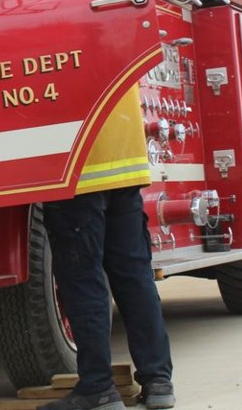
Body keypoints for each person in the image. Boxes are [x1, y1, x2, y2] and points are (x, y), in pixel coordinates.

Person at [41, 85, 175, 410]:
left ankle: (98, 387)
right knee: (134, 276)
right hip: (126, 164)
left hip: (78, 167)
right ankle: (158, 382)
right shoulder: (118, 31)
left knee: (83, 281)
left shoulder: (62, 32)